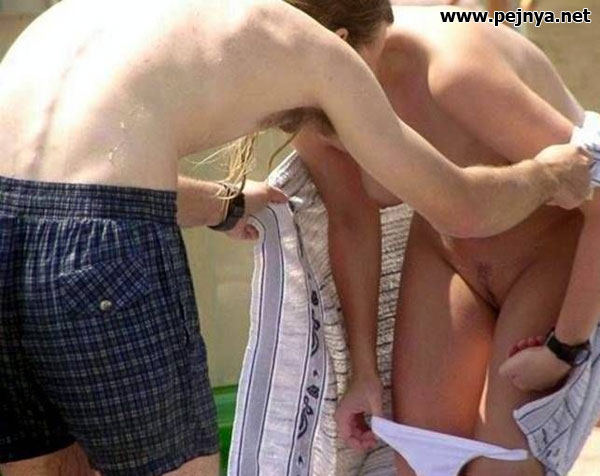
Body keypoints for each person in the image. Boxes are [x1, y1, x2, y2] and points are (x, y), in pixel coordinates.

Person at [0, 0, 590, 475]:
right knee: (418, 457)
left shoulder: (143, 18)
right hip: (452, 250)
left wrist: (567, 343)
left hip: (11, 227)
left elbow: (72, 190)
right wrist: (546, 174)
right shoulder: (310, 68)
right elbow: (415, 210)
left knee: (46, 462)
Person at [286, 3, 598, 476]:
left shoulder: (455, 70)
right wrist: (364, 372)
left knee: (501, 470)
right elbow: (352, 221)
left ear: (340, 44)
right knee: (424, 464)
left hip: (552, 259)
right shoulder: (309, 106)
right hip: (448, 259)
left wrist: (566, 346)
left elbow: (599, 198)